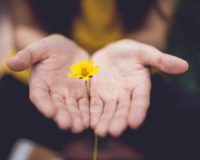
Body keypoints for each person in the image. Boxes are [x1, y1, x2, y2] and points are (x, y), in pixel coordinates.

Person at [1, 0, 199, 159]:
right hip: (47, 76)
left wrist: (129, 48)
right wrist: (41, 48)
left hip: (127, 77)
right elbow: (25, 26)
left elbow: (154, 32)